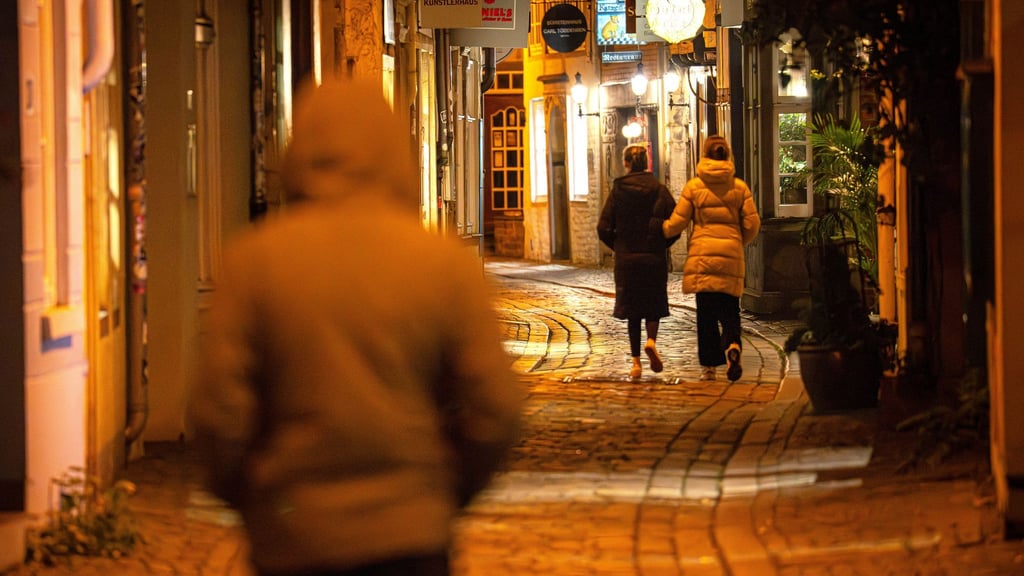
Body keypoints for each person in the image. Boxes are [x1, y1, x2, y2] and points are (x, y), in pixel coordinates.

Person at [189, 77, 522, 576]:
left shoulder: (254, 261)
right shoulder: (440, 262)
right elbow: (495, 408)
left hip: (294, 538)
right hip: (410, 534)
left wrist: (252, 496)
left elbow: (218, 411)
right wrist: (444, 490)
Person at [663, 135, 761, 382]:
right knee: (730, 310)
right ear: (728, 155)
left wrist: (659, 230)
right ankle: (733, 346)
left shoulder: (694, 187)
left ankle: (709, 367)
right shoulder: (739, 188)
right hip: (731, 257)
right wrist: (738, 241)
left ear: (703, 156)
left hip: (703, 258)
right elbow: (752, 223)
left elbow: (678, 222)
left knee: (706, 315)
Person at [597, 144, 678, 380]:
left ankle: (635, 363)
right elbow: (675, 223)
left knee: (633, 311)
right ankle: (651, 341)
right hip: (652, 257)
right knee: (653, 305)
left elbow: (603, 227)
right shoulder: (660, 190)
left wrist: (619, 246)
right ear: (647, 163)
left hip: (627, 259)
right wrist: (662, 244)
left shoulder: (618, 190)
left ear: (627, 163)